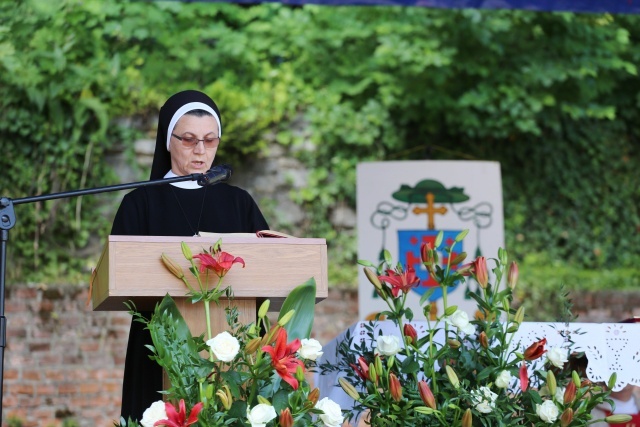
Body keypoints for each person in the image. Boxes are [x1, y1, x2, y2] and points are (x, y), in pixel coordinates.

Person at [111, 90, 269, 422]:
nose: (200, 150)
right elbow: (122, 274)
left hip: (233, 354)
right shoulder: (140, 204)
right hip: (160, 349)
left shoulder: (240, 203)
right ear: (168, 141)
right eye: (189, 139)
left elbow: (267, 268)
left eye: (210, 141)